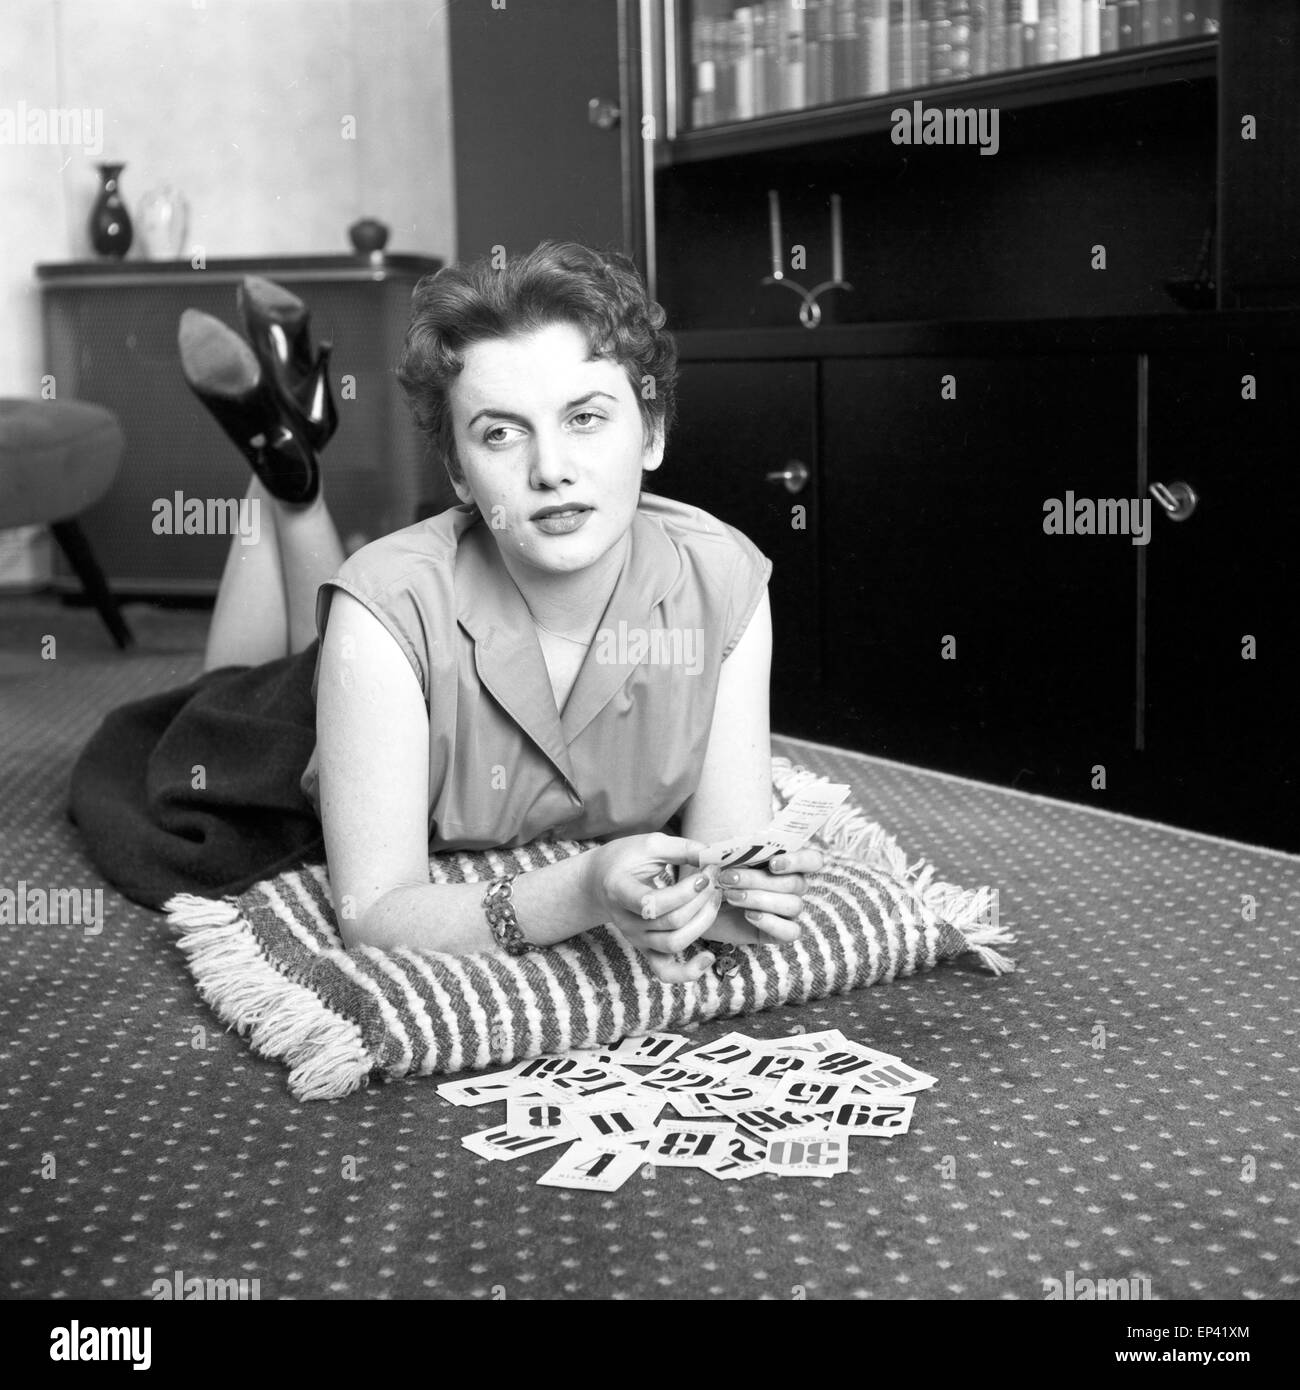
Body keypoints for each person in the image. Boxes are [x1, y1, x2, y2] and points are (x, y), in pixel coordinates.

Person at [69, 241, 822, 983]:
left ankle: (286, 454)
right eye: (501, 433)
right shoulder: (389, 600)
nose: (550, 469)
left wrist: (725, 900)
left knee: (322, 633)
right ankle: (281, 479)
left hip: (382, 651)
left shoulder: (725, 579)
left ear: (651, 431)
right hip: (283, 740)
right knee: (242, 677)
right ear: (459, 472)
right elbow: (375, 912)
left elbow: (728, 851)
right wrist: (582, 890)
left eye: (586, 419)